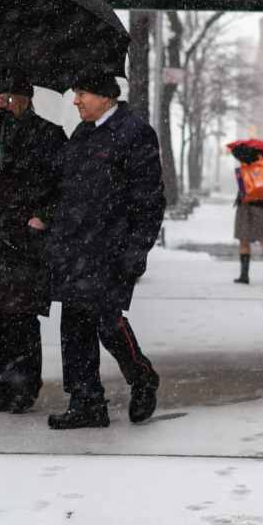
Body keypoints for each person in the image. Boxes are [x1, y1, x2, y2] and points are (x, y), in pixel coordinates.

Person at [46, 70, 166, 430]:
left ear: (105, 97)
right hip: (75, 249)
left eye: (81, 92)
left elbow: (150, 201)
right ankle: (86, 402)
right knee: (74, 326)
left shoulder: (135, 134)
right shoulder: (82, 134)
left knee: (107, 322)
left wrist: (136, 249)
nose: (76, 100)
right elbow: (66, 189)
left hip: (112, 250)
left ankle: (142, 377)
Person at [0, 73, 66, 414]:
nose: (2, 102)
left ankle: (25, 388)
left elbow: (64, 187)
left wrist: (44, 217)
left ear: (25, 98)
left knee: (21, 318)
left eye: (9, 96)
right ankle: (2, 387)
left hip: (28, 243)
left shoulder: (49, 137)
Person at [233, 159, 263, 285]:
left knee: (244, 241)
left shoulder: (243, 171)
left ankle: (244, 276)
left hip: (246, 208)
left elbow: (242, 190)